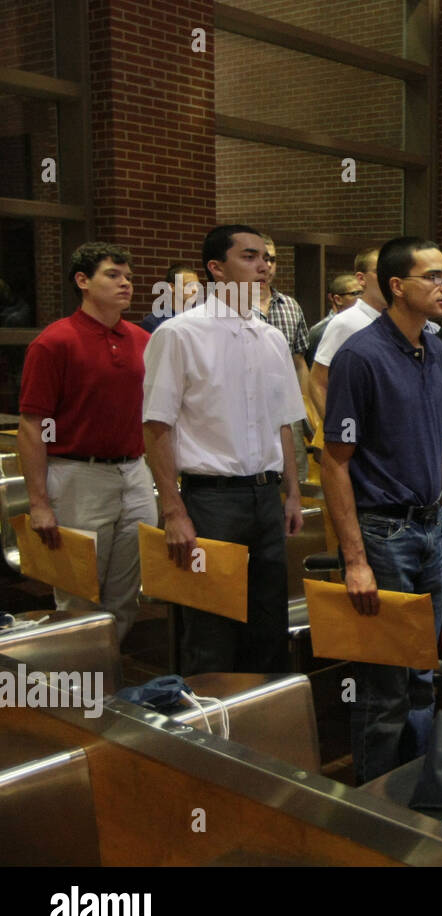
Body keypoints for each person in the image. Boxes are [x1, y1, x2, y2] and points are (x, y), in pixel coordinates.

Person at [320, 236, 442, 783]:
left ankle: (416, 787)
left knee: (422, 675)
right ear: (398, 286)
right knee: (384, 684)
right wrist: (355, 559)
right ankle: (375, 803)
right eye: (433, 276)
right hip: (383, 534)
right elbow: (334, 463)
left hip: (431, 528)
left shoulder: (437, 352)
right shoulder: (361, 356)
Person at [142, 225, 305, 674]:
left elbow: (284, 424)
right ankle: (210, 734)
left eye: (266, 259)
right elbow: (156, 427)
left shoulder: (271, 337)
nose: (263, 267)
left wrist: (292, 493)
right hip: (212, 498)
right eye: (250, 257)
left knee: (268, 626)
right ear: (216, 268)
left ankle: (264, 727)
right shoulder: (179, 334)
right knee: (211, 630)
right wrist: (173, 511)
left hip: (265, 497)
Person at [18, 242, 157, 643]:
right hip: (77, 474)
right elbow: (33, 425)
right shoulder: (54, 342)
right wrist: (40, 502)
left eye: (128, 277)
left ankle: (110, 683)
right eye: (112, 275)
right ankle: (78, 687)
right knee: (80, 594)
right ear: (82, 281)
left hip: (133, 471)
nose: (125, 284)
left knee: (127, 593)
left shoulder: (141, 340)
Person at [257, 235, 311, 482]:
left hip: (287, 411)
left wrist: (307, 411)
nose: (267, 265)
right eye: (259, 258)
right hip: (250, 411)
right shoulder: (230, 309)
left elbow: (299, 363)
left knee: (295, 479)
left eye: (272, 259)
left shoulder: (290, 305)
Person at [308, 246, 382, 420]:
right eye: (380, 271)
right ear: (361, 279)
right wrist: (339, 433)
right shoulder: (345, 322)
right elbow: (318, 382)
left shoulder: (398, 322)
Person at [307, 271, 364, 367]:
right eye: (356, 293)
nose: (361, 297)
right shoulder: (320, 331)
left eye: (363, 292)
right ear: (338, 299)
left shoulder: (367, 323)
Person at [141, 262, 201, 333]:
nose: (195, 290)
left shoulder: (201, 319)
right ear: (172, 287)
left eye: (197, 285)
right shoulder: (153, 322)